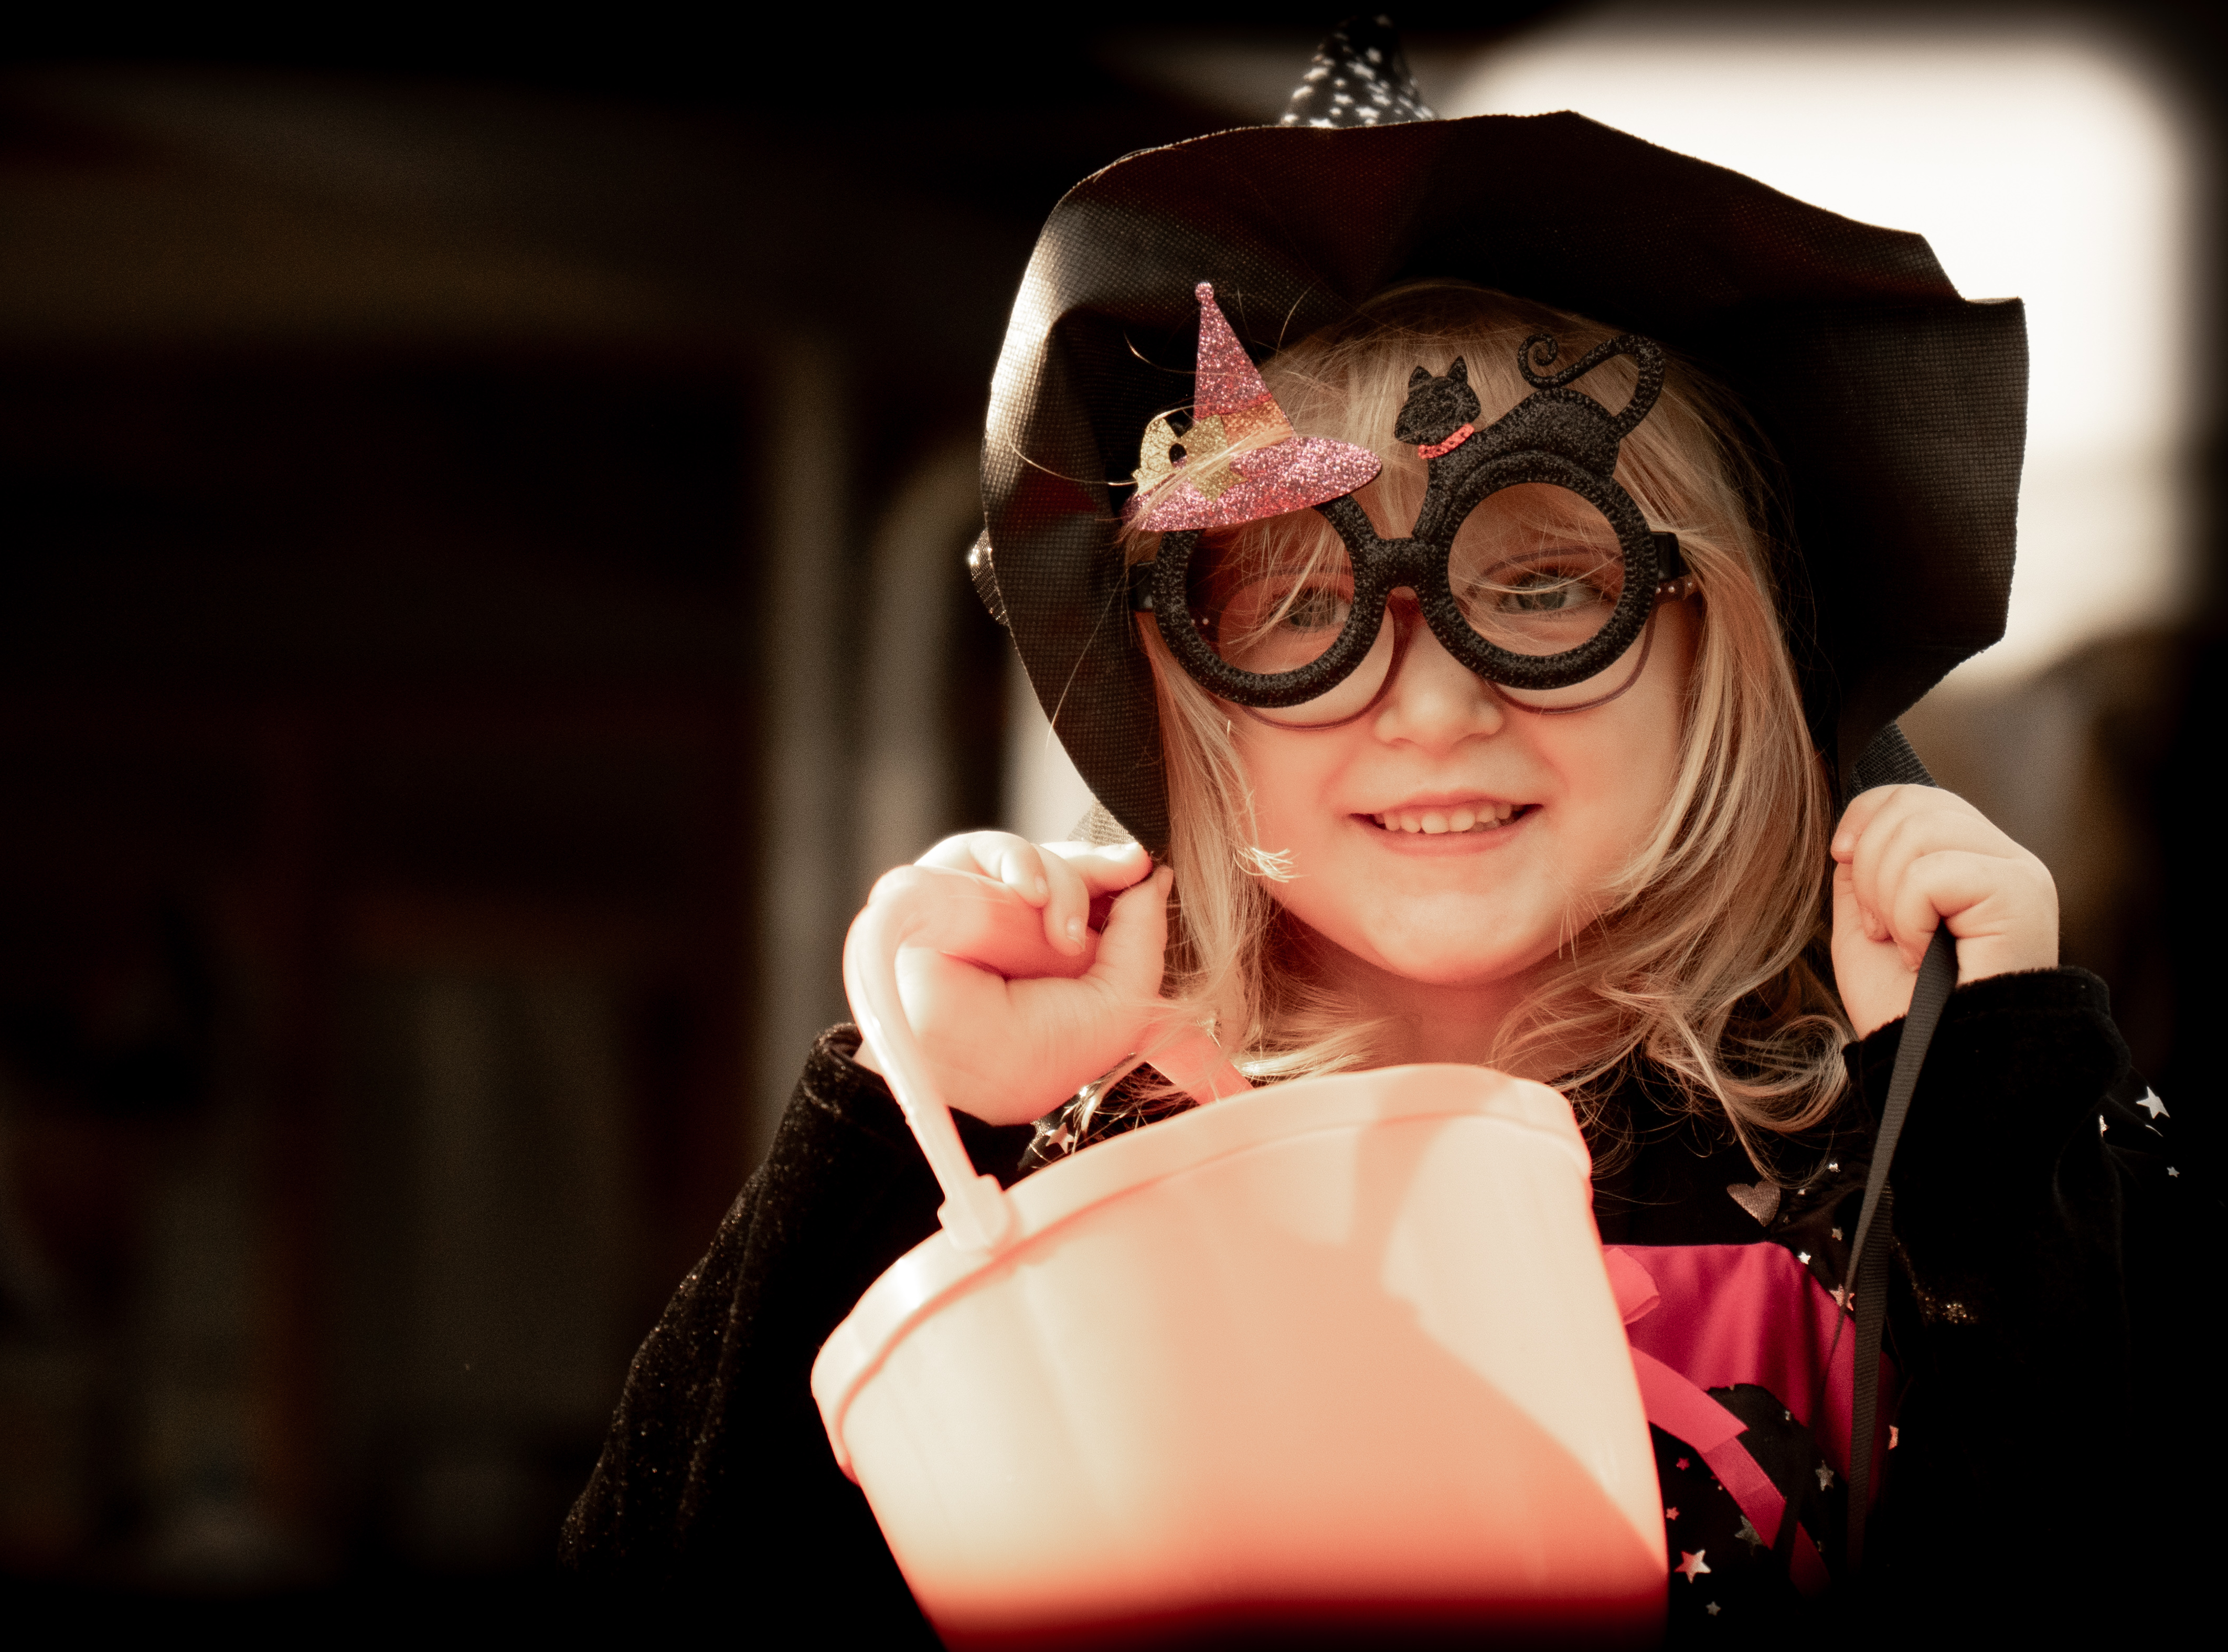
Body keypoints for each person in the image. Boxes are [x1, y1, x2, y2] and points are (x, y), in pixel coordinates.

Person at [565, 19, 2206, 1643]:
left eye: (1547, 589)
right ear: (1176, 693)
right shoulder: (1065, 1178)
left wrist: (1990, 1108)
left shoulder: (1887, 1170)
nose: (1428, 711)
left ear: (1719, 649)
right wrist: (912, 1123)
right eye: (1297, 610)